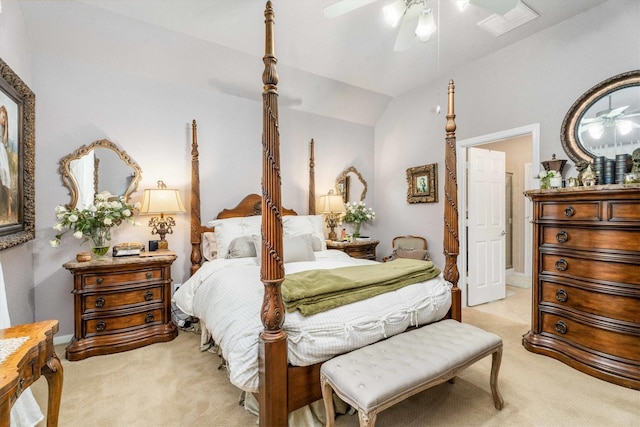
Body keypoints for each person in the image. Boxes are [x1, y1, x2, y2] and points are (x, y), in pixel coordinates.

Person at [0, 105, 12, 219]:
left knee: (4, 171)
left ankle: (9, 201)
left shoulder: (4, 129)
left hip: (0, 149)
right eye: (2, 117)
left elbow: (5, 141)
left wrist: (7, 125)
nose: (3, 120)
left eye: (4, 118)